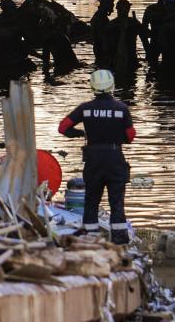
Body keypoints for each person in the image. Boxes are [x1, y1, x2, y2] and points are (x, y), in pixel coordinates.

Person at [57, 70, 135, 245]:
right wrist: (117, 137)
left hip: (93, 160)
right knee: (117, 201)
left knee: (91, 199)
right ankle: (120, 242)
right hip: (115, 158)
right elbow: (130, 136)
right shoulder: (121, 109)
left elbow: (63, 128)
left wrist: (80, 133)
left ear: (92, 86)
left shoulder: (85, 108)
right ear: (111, 85)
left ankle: (90, 240)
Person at [106, 0, 148, 73]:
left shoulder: (111, 24)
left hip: (117, 59)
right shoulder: (133, 22)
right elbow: (144, 35)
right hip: (125, 58)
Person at [143, 0, 169, 65]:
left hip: (155, 41)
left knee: (152, 66)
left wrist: (147, 48)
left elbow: (144, 30)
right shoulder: (171, 9)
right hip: (168, 42)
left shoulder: (150, 10)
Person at [90, 0, 115, 68]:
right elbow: (103, 38)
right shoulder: (100, 18)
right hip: (103, 53)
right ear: (106, 3)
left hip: (100, 51)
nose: (113, 5)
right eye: (111, 2)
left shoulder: (100, 16)